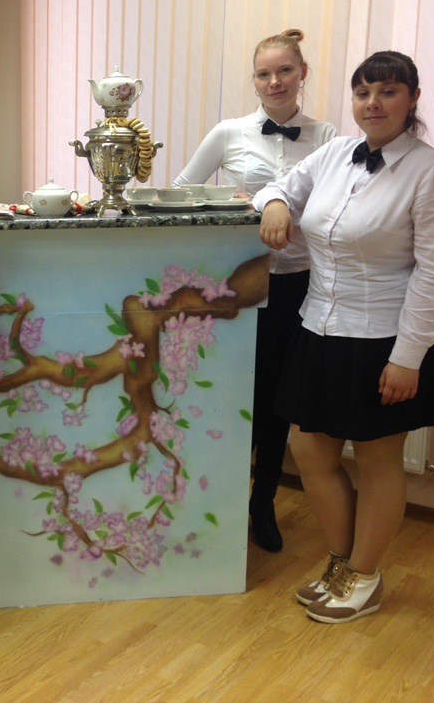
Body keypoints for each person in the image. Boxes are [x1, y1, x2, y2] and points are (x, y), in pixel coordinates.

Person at [254, 50, 434, 623]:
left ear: (412, 99)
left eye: (388, 92)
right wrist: (275, 203)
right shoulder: (334, 154)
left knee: (377, 460)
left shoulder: (433, 173)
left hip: (385, 338)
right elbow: (279, 185)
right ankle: (341, 564)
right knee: (309, 451)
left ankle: (364, 576)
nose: (373, 103)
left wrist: (408, 357)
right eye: (363, 92)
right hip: (320, 328)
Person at [172, 30, 338, 552]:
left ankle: (262, 500)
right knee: (232, 394)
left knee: (278, 400)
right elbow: (181, 193)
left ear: (302, 73)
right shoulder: (229, 132)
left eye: (285, 71)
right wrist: (233, 205)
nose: (274, 82)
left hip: (301, 284)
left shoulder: (328, 136)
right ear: (254, 80)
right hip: (237, 284)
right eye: (264, 74)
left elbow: (337, 207)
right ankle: (218, 499)